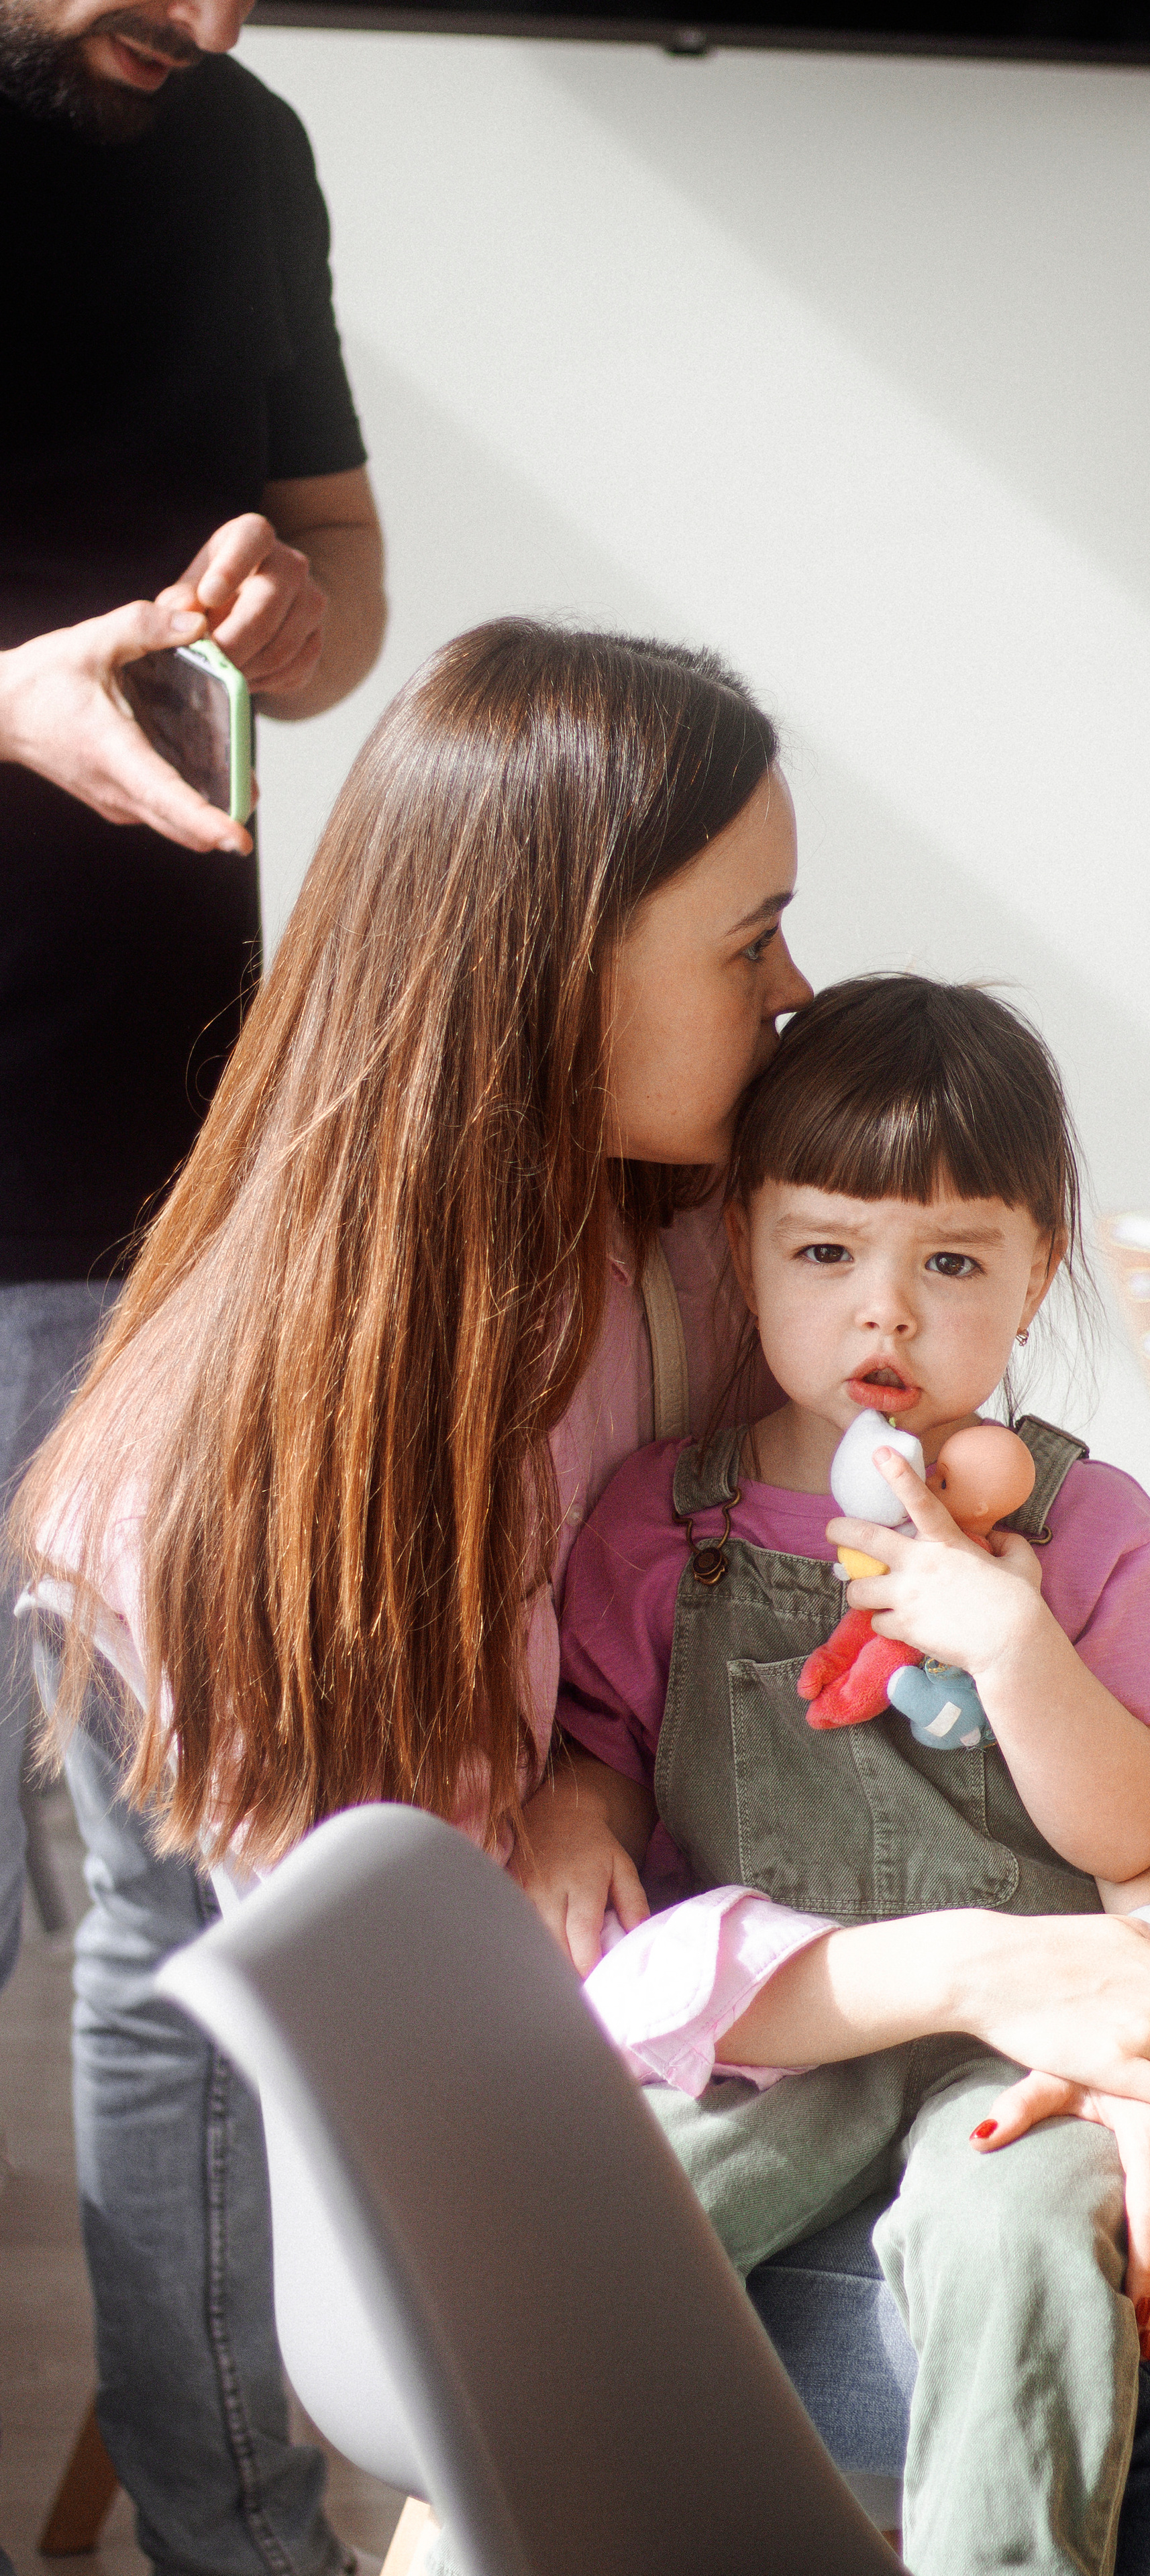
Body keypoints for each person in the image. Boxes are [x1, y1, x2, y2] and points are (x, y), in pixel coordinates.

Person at [19, 623, 1150, 2575]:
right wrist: (993, 1971)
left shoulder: (705, 1248)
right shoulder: (232, 1466)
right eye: (748, 939)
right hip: (559, 2181)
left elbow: (1069, 1629)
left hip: (884, 2045)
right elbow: (478, 2035)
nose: (797, 998)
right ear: (553, 980)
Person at [554, 971, 1150, 2576]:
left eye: (950, 1263)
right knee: (599, 2238)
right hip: (792, 2029)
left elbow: (1130, 1827)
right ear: (740, 1249)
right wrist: (577, 1804)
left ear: (1034, 1278)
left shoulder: (1089, 1537)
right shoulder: (654, 1526)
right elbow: (604, 1758)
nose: (883, 1313)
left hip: (1012, 2056)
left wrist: (1013, 1642)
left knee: (1018, 2244)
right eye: (825, 1253)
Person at [0, 0, 384, 2565]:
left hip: (167, 1181)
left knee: (180, 1888)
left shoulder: (233, 140)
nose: (212, 17)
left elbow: (347, 593)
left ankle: (230, 2536)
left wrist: (284, 601)